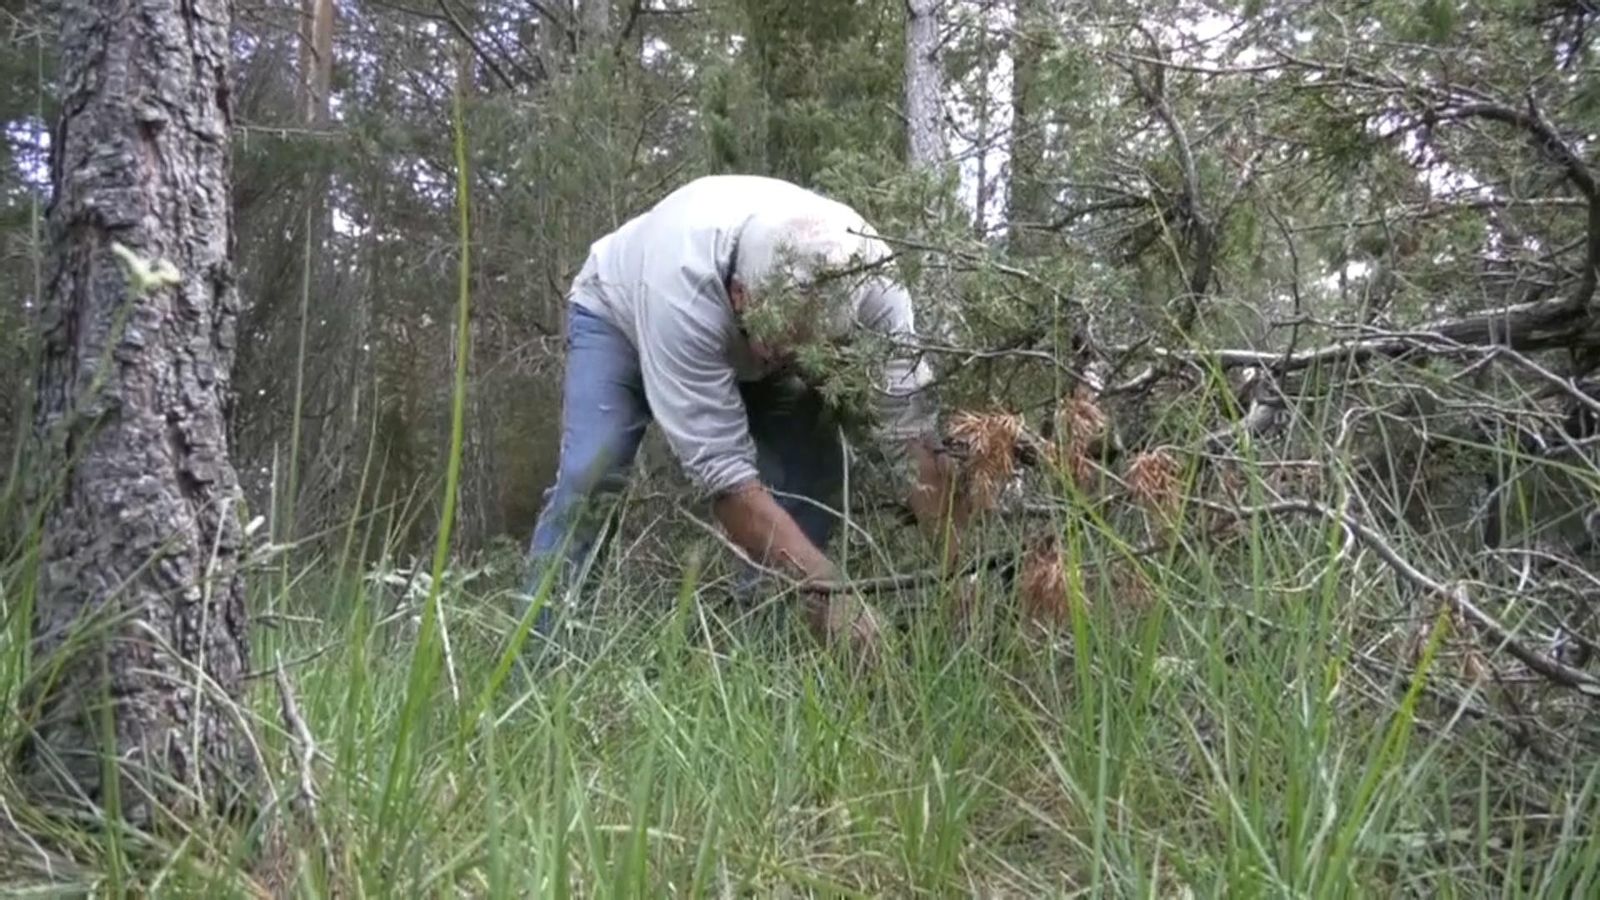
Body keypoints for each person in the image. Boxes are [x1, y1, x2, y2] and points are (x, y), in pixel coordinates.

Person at [524, 174, 967, 662]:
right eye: (786, 340)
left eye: (816, 349)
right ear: (741, 294)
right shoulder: (682, 291)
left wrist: (963, 576)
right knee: (593, 472)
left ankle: (762, 657)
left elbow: (915, 444)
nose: (797, 359)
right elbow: (729, 486)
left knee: (817, 471)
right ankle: (542, 659)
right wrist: (833, 592)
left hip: (735, 337)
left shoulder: (874, 284)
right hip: (619, 312)